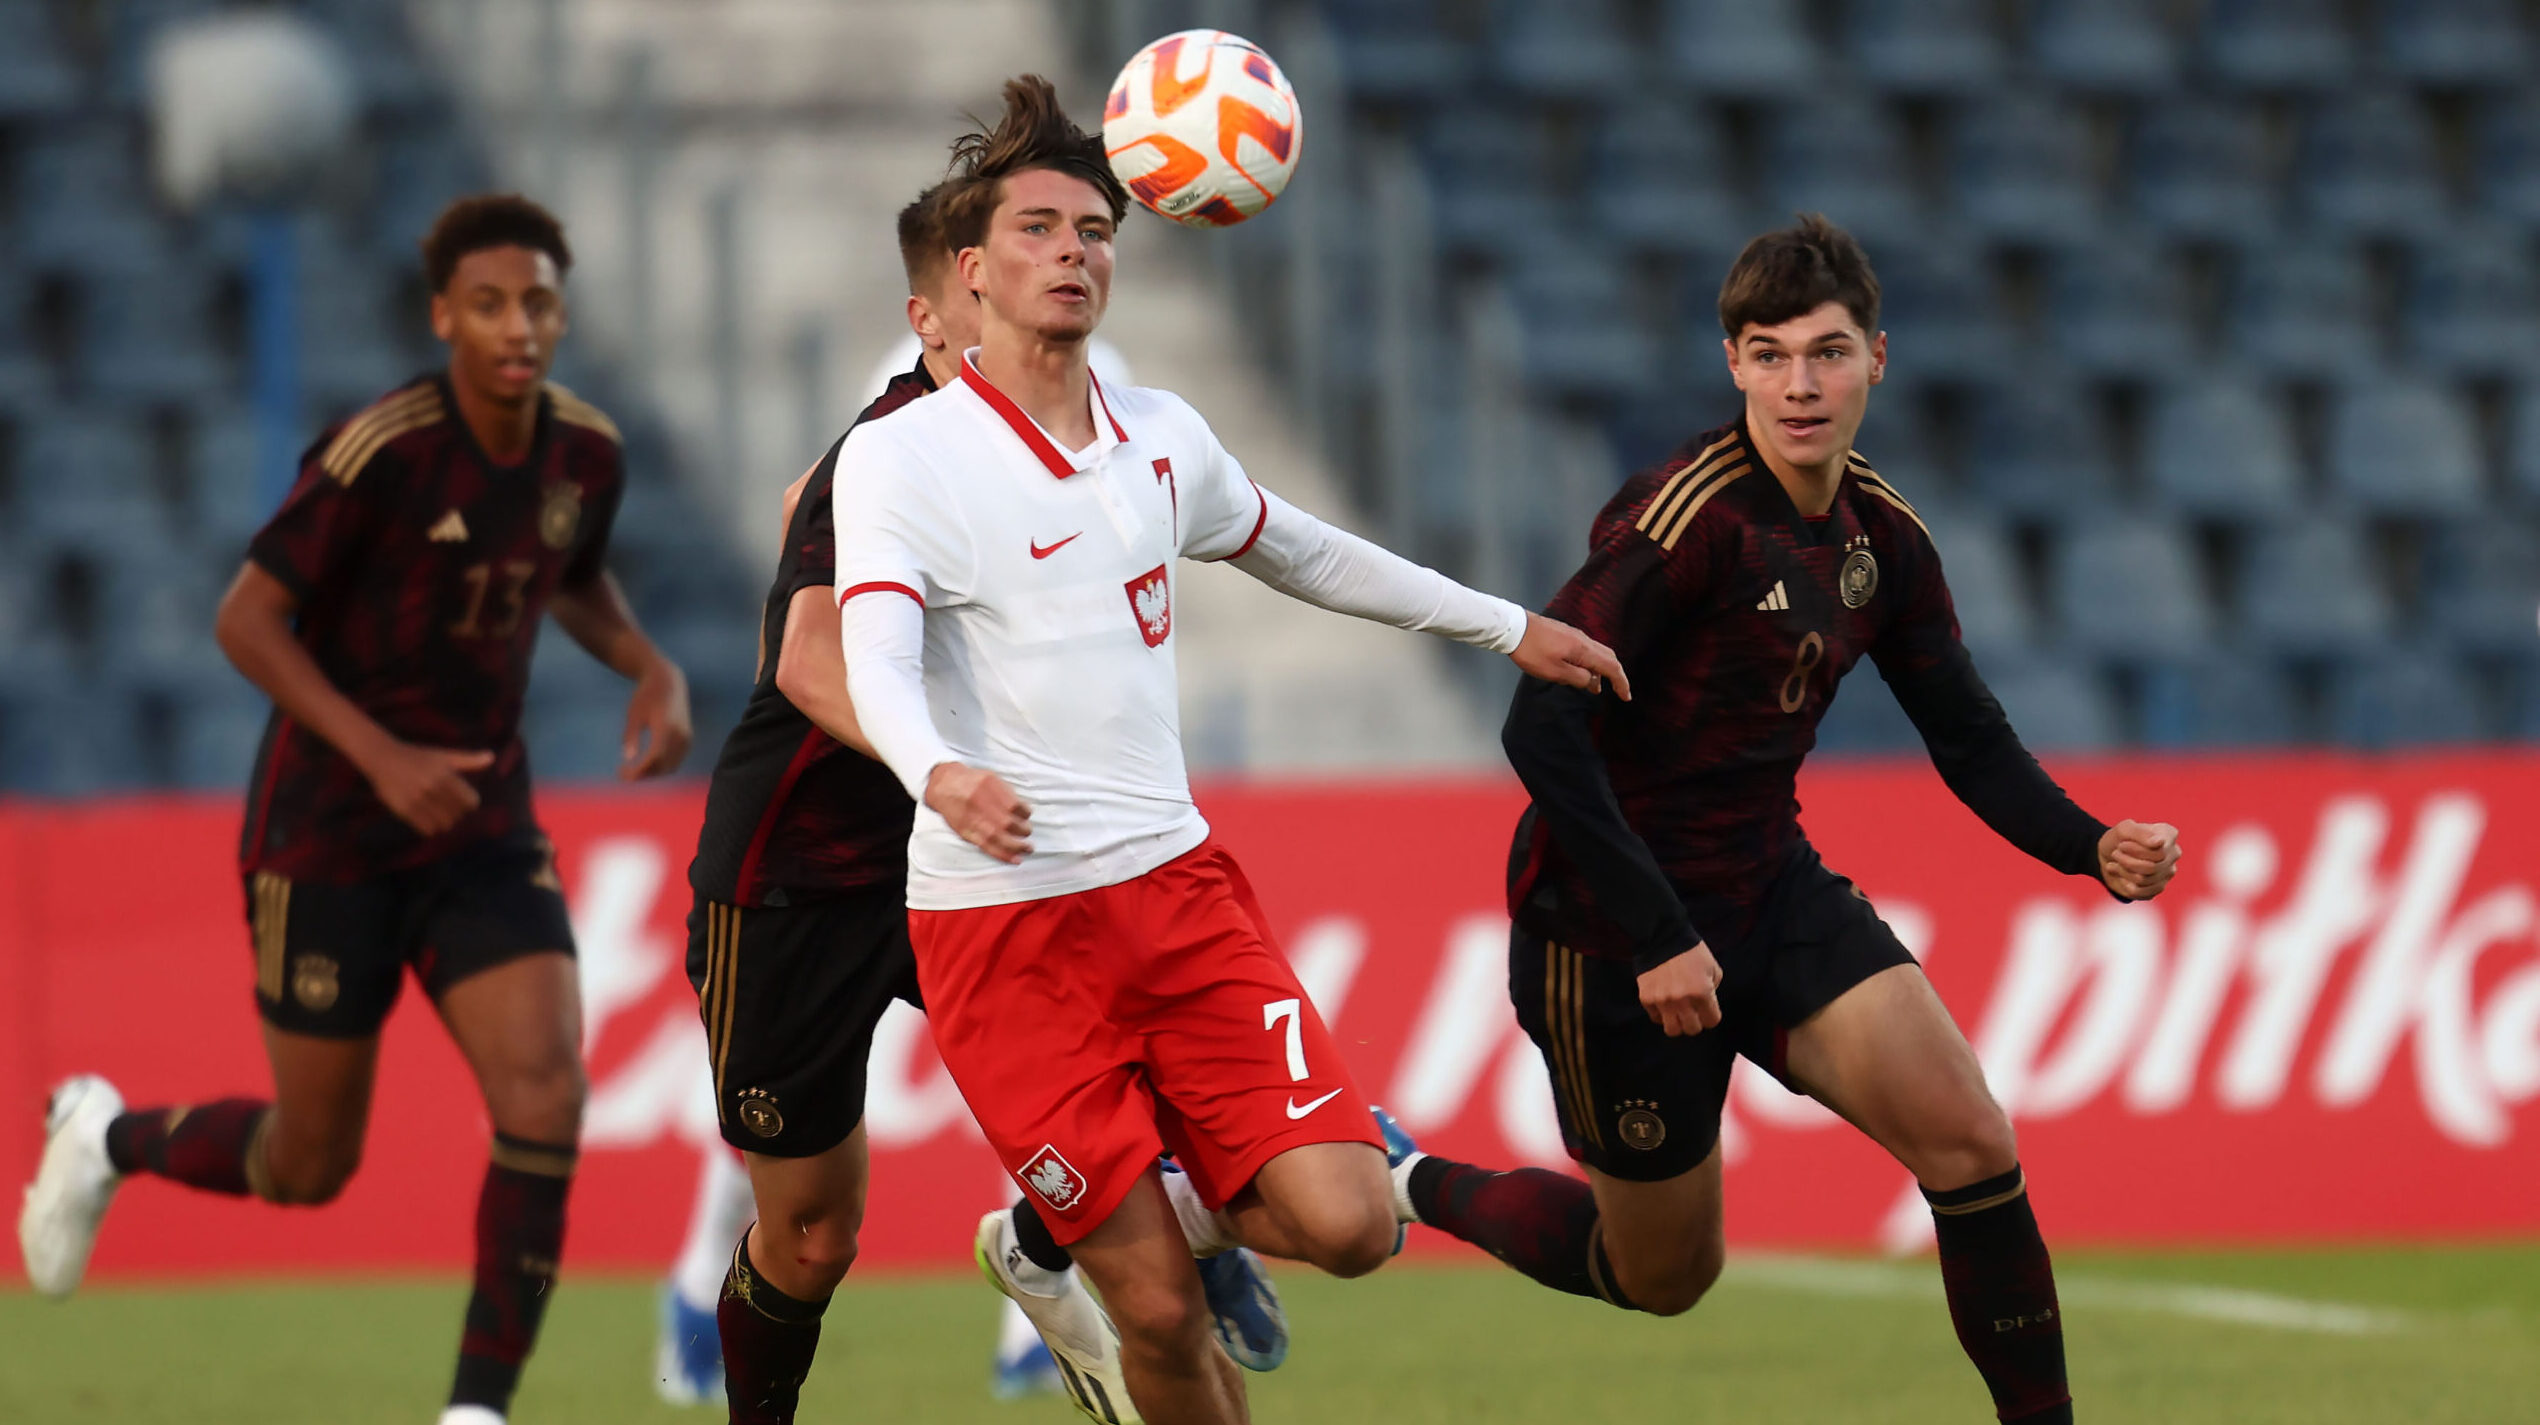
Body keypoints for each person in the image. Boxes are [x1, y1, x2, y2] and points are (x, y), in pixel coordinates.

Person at [830, 76, 1624, 1425]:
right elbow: (875, 658)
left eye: (1096, 229)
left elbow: (1307, 550)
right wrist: (934, 770)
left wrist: (1509, 628)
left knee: (1355, 1221)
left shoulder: (1162, 437)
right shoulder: (903, 460)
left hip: (1177, 896)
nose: (1075, 250)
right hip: (1004, 931)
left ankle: (1044, 1236)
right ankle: (1093, 1249)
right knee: (1150, 1309)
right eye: (1039, 228)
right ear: (969, 274)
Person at [1384, 215, 2185, 1425]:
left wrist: (2087, 844)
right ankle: (1407, 1179)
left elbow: (1963, 734)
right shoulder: (1682, 521)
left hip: (1766, 891)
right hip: (1606, 928)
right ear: (1732, 365)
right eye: (1767, 355)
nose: (1798, 385)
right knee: (1660, 1276)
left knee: (1969, 1141)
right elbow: (1537, 729)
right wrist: (1655, 936)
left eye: (1823, 353)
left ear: (1877, 358)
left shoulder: (1883, 537)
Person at [15, 195, 693, 1425]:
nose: (515, 325)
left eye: (536, 301)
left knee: (546, 1093)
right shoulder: (381, 451)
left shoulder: (584, 453)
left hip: (481, 828)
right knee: (312, 1163)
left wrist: (647, 663)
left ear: (559, 310)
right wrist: (380, 757)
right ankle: (106, 1138)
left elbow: (568, 575)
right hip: (327, 831)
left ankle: (475, 1411)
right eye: (487, 303)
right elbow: (244, 619)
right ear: (443, 316)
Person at [673, 182, 1290, 1425]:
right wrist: (944, 766)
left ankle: (1127, 1252)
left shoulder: (1079, 435)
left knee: (1154, 1097)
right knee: (809, 1234)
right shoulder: (881, 456)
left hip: (976, 869)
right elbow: (805, 661)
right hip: (798, 878)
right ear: (943, 311)